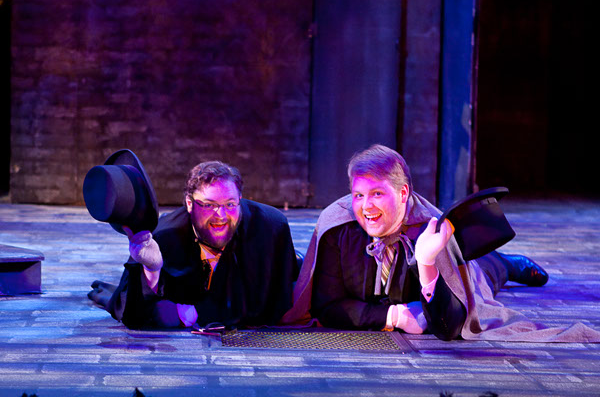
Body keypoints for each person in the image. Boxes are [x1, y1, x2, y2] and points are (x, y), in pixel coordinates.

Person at [282, 144, 560, 341]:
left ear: (403, 194)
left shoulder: (430, 228)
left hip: (476, 265)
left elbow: (449, 327)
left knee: (482, 273)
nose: (366, 207)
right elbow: (327, 306)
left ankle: (506, 264)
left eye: (377, 194)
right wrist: (394, 316)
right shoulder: (337, 228)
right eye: (358, 195)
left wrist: (426, 262)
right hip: (392, 306)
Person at [89, 160, 299, 330]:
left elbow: (280, 297)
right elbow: (133, 314)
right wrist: (152, 269)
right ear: (190, 204)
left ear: (240, 199)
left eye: (230, 204)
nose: (221, 215)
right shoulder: (163, 236)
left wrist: (197, 312)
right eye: (208, 205)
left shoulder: (271, 226)